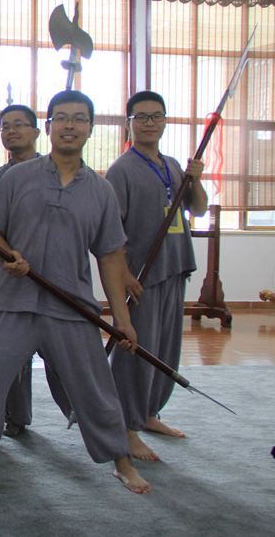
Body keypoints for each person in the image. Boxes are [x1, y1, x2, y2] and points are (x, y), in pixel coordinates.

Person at [0, 90, 151, 499]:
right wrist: (7, 254)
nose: (70, 125)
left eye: (79, 118)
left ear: (91, 128)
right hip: (10, 302)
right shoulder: (16, 179)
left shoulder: (101, 191)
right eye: (62, 118)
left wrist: (122, 321)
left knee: (95, 390)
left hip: (70, 306)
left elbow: (110, 257)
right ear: (48, 127)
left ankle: (121, 462)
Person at [107, 91, 207, 462]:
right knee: (137, 350)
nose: (149, 123)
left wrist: (195, 180)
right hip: (142, 275)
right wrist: (123, 273)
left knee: (165, 349)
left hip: (174, 266)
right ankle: (126, 426)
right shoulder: (121, 170)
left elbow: (198, 209)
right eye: (141, 117)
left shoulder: (173, 165)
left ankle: (149, 413)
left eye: (156, 116)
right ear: (129, 123)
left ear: (165, 121)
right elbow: (111, 231)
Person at [0, 105, 71, 437]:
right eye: (5, 126)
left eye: (19, 125)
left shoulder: (59, 171)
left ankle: (80, 411)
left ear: (38, 132)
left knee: (64, 353)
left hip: (57, 278)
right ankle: (16, 416)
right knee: (12, 353)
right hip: (15, 277)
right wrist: (8, 257)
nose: (11, 131)